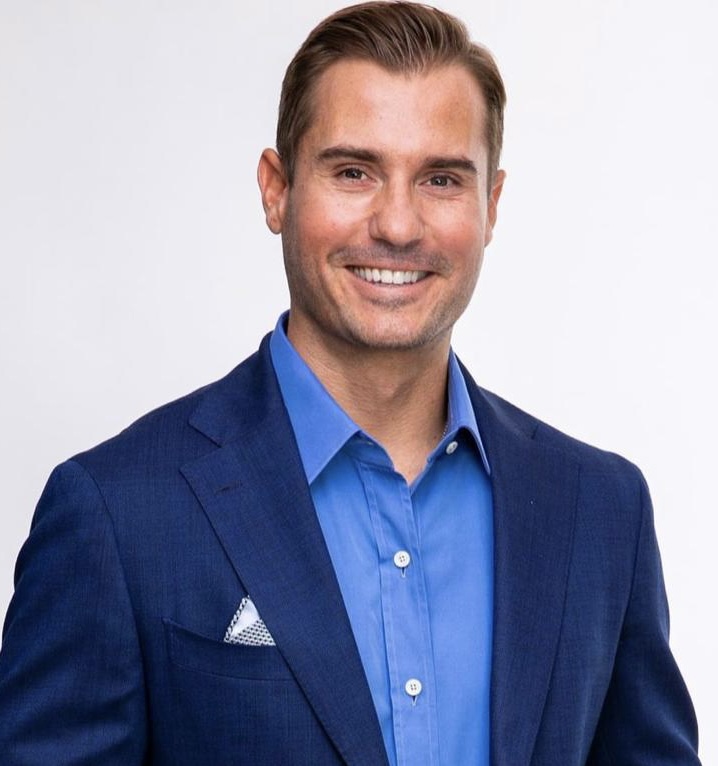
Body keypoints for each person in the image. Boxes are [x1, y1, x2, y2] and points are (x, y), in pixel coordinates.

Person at [0, 2, 701, 764]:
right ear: (276, 189)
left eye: (441, 178)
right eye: (353, 172)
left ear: (491, 205)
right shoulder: (119, 515)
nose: (397, 225)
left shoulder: (601, 512)